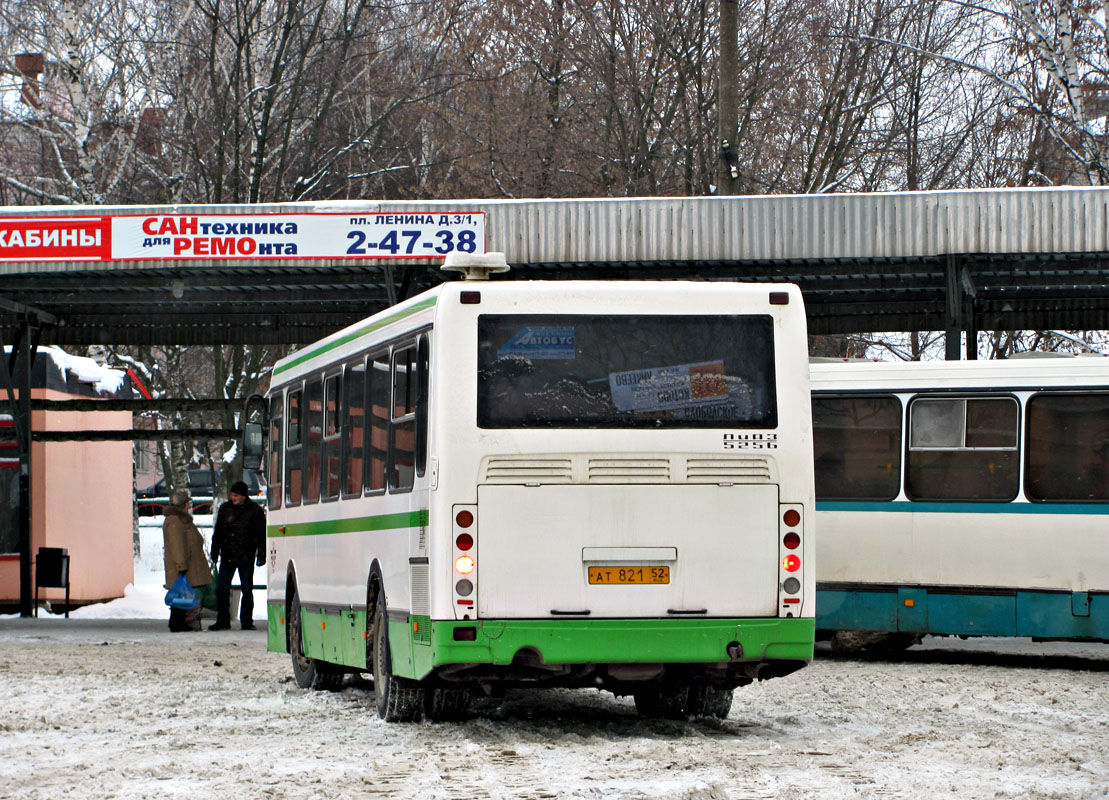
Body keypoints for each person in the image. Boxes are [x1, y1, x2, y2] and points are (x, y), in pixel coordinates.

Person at [210, 479, 266, 631]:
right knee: (222, 589)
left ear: (243, 496)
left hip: (245, 555)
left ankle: (246, 621)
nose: (233, 498)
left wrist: (262, 553)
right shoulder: (226, 509)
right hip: (229, 554)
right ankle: (223, 620)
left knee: (247, 589)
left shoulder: (254, 511)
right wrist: (214, 553)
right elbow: (218, 533)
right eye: (232, 495)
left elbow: (261, 534)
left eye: (236, 495)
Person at [162, 489, 213, 632]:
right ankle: (178, 623)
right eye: (188, 503)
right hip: (183, 565)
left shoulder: (180, 519)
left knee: (182, 594)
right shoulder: (175, 520)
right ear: (184, 505)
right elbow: (177, 545)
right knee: (180, 594)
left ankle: (180, 622)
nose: (189, 506)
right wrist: (181, 565)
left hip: (187, 564)